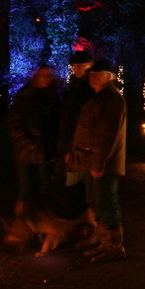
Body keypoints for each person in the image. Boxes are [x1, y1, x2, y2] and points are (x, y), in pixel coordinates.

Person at [67, 59, 127, 263]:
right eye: (91, 72)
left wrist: (98, 163)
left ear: (109, 76)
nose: (92, 75)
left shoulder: (111, 100)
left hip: (102, 164)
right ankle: (103, 242)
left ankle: (113, 246)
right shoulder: (100, 98)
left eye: (98, 73)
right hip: (94, 162)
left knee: (107, 204)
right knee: (97, 203)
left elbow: (106, 135)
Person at [5, 65, 61, 217]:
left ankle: (41, 220)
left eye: (49, 75)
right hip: (26, 150)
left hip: (44, 150)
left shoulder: (52, 96)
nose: (47, 79)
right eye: (43, 75)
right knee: (25, 189)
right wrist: (26, 141)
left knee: (44, 188)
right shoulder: (24, 96)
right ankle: (20, 223)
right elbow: (14, 123)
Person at [57, 50, 95, 209]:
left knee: (79, 186)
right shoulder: (75, 86)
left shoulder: (88, 88)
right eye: (75, 66)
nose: (77, 69)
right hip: (73, 142)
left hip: (80, 144)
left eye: (81, 66)